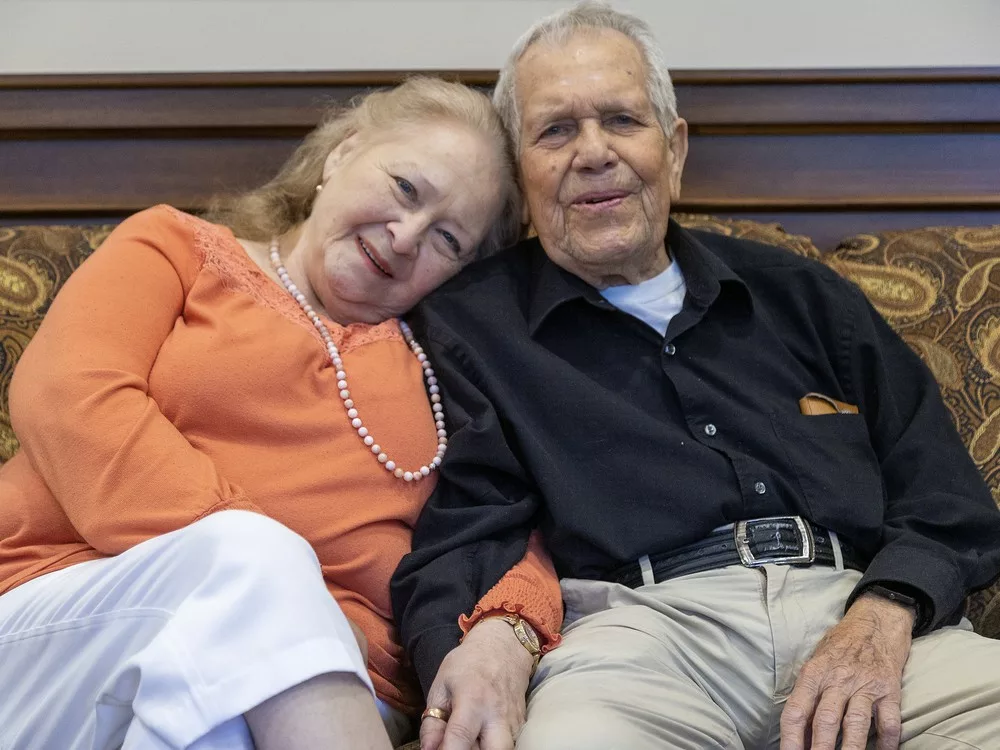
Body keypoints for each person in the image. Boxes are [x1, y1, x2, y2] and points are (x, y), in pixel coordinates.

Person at [390, 4, 1000, 750]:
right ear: (522, 174)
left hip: (864, 618)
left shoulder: (805, 297)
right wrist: (476, 646)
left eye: (621, 120)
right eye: (555, 130)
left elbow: (945, 500)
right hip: (639, 640)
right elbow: (465, 525)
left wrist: (885, 614)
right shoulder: (470, 328)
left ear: (673, 149)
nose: (593, 153)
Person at [0, 76, 563, 750]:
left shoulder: (450, 370)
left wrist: (512, 626)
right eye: (406, 189)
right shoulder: (175, 249)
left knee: (211, 727)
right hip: (70, 618)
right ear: (340, 155)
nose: (408, 235)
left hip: (335, 690)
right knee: (256, 566)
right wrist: (291, 594)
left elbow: (508, 520)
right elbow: (71, 399)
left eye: (448, 239)